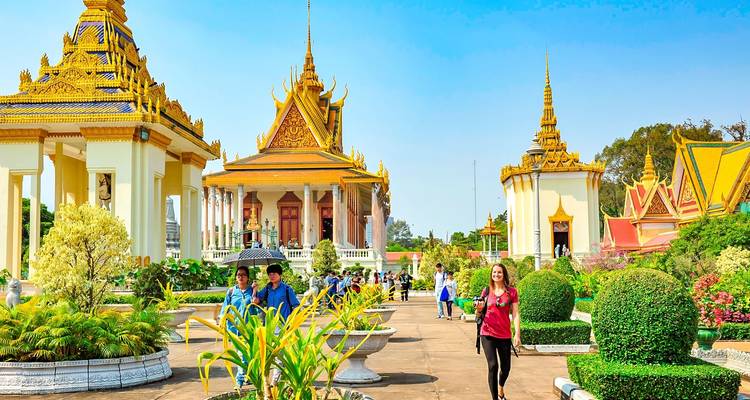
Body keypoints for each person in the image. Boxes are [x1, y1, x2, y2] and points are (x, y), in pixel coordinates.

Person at [475, 264, 521, 400]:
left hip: (504, 335)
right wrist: (478, 308)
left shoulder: (512, 292)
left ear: (504, 274)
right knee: (493, 365)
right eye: (494, 272)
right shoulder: (486, 291)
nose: (496, 274)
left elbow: (516, 314)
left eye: (499, 272)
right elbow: (478, 313)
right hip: (487, 333)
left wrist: (517, 333)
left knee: (506, 368)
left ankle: (500, 388)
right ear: (491, 274)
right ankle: (495, 398)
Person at [218, 266, 258, 388]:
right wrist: (221, 321)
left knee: (245, 354)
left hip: (249, 328)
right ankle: (245, 378)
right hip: (234, 328)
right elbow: (225, 309)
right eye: (238, 275)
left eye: (243, 275)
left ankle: (240, 380)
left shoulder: (252, 291)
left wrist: (255, 291)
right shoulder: (231, 292)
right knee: (241, 354)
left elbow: (257, 304)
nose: (241, 277)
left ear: (248, 278)